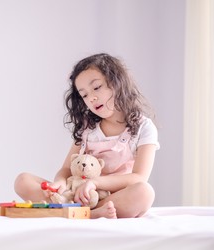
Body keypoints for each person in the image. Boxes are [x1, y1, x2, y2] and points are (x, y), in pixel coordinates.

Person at [14, 53, 159, 219]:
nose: (92, 98)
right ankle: (80, 212)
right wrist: (60, 183)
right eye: (84, 95)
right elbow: (67, 169)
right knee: (22, 180)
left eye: (96, 87)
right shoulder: (87, 128)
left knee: (144, 192)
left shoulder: (144, 127)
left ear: (117, 83)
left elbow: (139, 177)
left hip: (110, 198)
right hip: (76, 196)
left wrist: (95, 183)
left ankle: (84, 212)